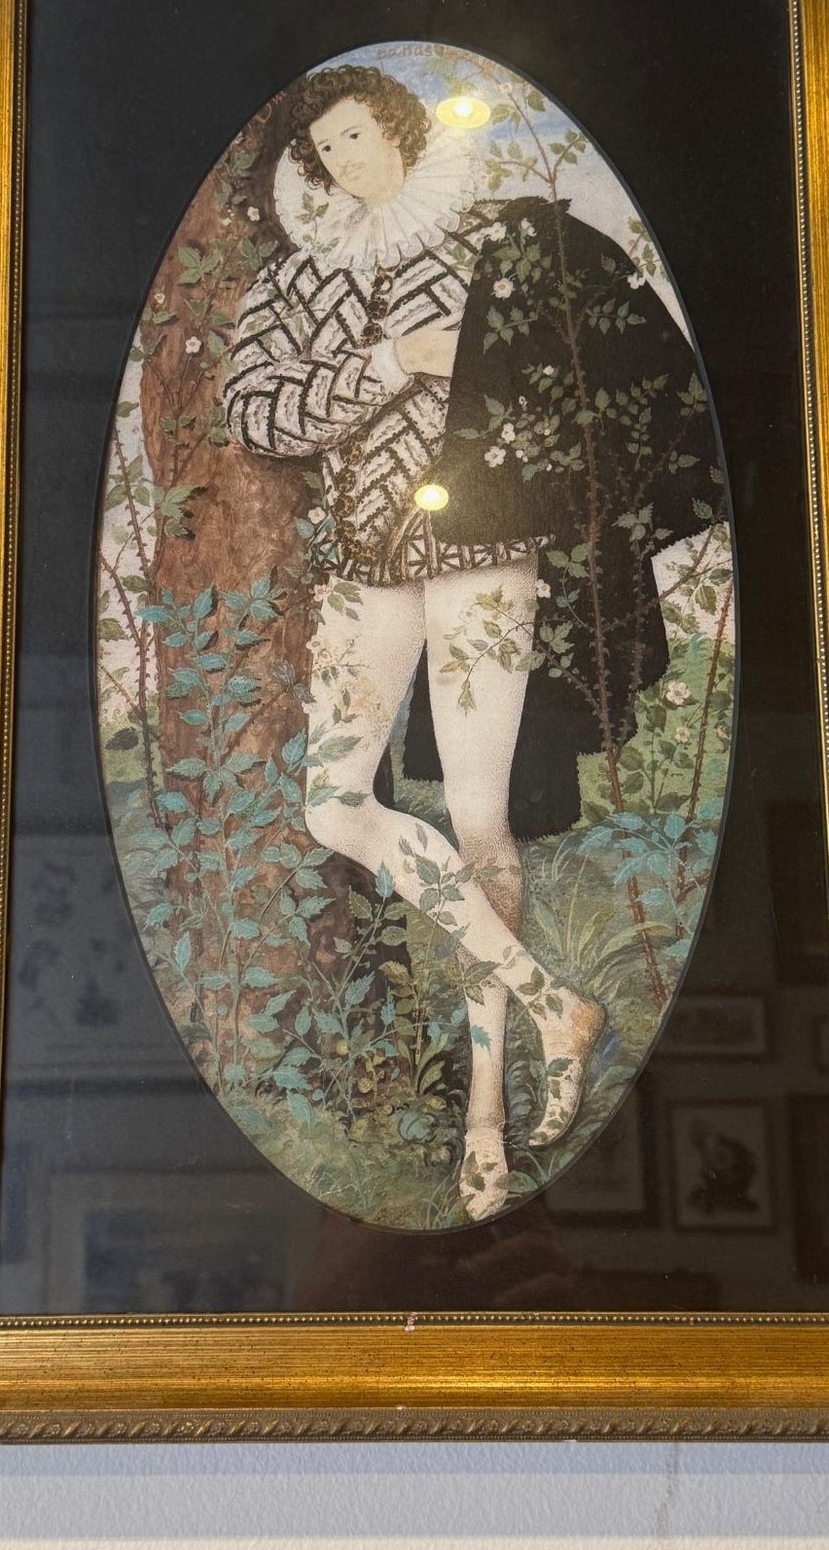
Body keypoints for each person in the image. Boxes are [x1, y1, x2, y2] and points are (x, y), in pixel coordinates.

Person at [225, 61, 719, 1221]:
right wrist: (392, 361)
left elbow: (566, 385)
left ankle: (486, 1116)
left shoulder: (490, 246)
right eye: (326, 149)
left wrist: (494, 376)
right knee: (330, 803)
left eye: (359, 137)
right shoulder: (298, 275)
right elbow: (254, 408)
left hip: (482, 549)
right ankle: (554, 1003)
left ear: (401, 133)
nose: (346, 161)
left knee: (478, 819)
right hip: (367, 559)